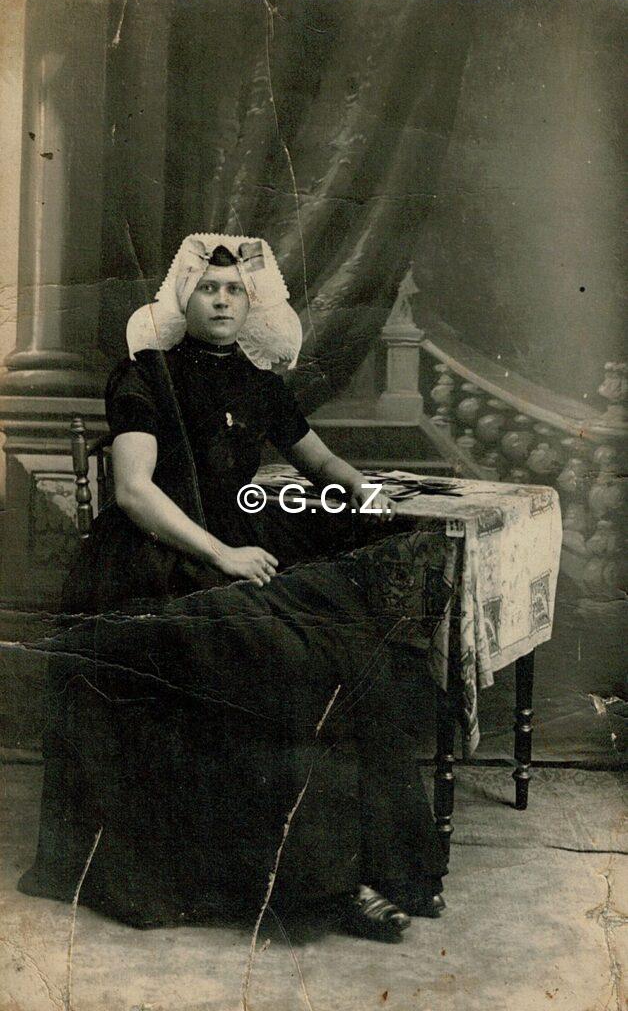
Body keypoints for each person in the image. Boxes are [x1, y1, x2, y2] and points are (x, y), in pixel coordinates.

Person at [19, 234, 450, 942]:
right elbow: (133, 491)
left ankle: (368, 869)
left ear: (252, 304)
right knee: (288, 664)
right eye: (207, 288)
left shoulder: (260, 384)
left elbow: (322, 463)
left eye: (234, 290)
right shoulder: (145, 375)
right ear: (181, 296)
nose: (220, 301)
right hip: (154, 565)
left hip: (233, 553)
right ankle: (322, 886)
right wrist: (221, 553)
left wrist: (374, 498)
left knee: (346, 656)